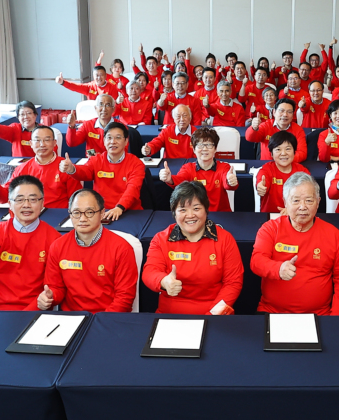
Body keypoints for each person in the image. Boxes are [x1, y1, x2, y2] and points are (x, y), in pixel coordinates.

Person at [252, 172, 339, 315]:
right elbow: (256, 262)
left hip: (319, 314)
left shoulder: (334, 235)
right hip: (273, 311)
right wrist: (278, 269)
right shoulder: (270, 228)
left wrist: (337, 316)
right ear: (285, 202)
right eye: (296, 200)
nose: (302, 207)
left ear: (318, 202)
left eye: (309, 200)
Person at [142, 181, 244, 314]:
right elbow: (149, 272)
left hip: (215, 313)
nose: (190, 215)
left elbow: (233, 283)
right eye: (182, 210)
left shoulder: (225, 239)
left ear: (206, 209)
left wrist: (212, 315)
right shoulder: (161, 239)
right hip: (171, 313)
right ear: (174, 213)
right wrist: (163, 281)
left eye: (196, 208)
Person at [0, 175, 60, 310]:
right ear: (10, 204)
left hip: (33, 310)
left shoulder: (54, 239)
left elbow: (55, 285)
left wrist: (48, 299)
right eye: (19, 199)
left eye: (33, 199)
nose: (26, 205)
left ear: (42, 203)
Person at [38, 189, 138, 312]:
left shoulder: (122, 248)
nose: (82, 218)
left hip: (107, 317)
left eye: (89, 212)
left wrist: (100, 320)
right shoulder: (58, 246)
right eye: (76, 213)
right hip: (72, 318)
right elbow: (56, 287)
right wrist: (49, 298)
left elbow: (124, 299)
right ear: (70, 214)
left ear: (102, 213)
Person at [60, 122, 145, 218]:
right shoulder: (96, 160)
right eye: (109, 138)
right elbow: (84, 172)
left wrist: (119, 207)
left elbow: (133, 189)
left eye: (118, 138)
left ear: (126, 141)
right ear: (104, 141)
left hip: (130, 212)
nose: (113, 142)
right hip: (102, 212)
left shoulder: (136, 163)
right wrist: (72, 168)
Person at [0, 125, 79, 208]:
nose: (42, 144)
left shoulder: (67, 167)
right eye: (37, 140)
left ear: (54, 143)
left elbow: (77, 200)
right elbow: (5, 197)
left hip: (58, 215)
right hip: (29, 215)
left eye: (47, 140)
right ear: (31, 144)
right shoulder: (21, 169)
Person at [159, 127, 239, 212]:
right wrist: (170, 179)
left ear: (215, 149)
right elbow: (179, 180)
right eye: (200, 145)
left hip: (221, 214)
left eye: (209, 145)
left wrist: (231, 182)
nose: (204, 149)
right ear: (194, 149)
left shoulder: (224, 167)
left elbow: (228, 184)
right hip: (196, 214)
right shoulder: (188, 168)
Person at [255, 131, 309, 213]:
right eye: (278, 149)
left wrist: (291, 210)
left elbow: (307, 195)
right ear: (271, 154)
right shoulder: (267, 169)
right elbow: (261, 181)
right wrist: (260, 187)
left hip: (296, 215)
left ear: (294, 152)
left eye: (288, 149)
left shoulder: (302, 171)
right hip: (271, 216)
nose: (283, 153)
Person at [246, 98, 308, 163]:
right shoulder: (266, 126)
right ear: (274, 112)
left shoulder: (298, 130)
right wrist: (254, 128)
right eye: (281, 111)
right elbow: (250, 138)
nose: (285, 114)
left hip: (289, 165)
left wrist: (284, 161)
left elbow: (302, 153)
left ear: (293, 115)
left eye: (289, 112)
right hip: (267, 165)